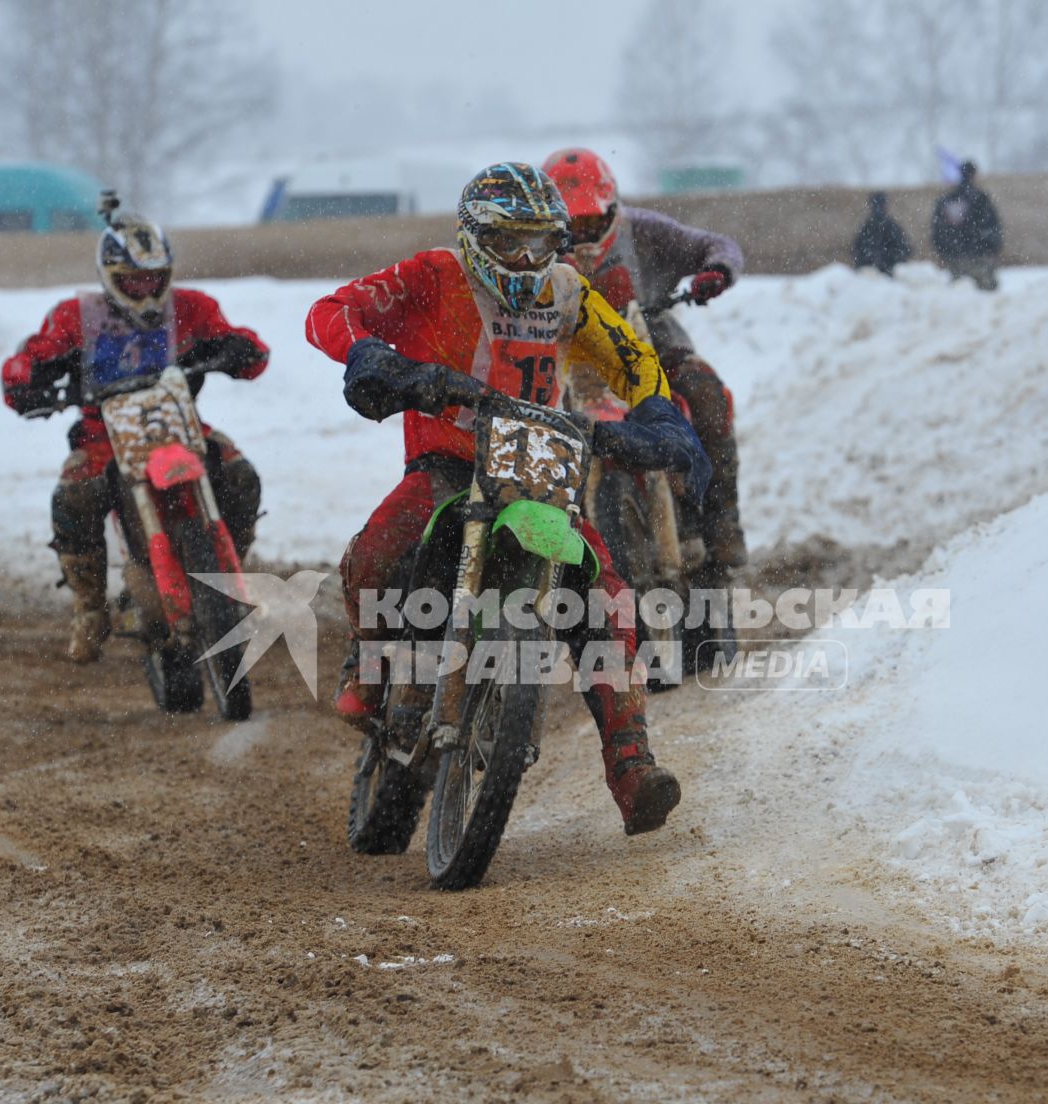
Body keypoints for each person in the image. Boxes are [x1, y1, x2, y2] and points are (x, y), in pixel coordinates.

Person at [305, 161, 709, 836]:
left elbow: (633, 356)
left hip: (538, 466)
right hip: (449, 458)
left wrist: (657, 410)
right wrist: (369, 355)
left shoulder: (567, 290)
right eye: (509, 242)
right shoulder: (435, 273)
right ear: (475, 238)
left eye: (540, 242)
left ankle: (632, 763)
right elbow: (331, 309)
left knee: (607, 596)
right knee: (379, 553)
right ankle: (372, 664)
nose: (526, 259)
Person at [0, 197, 269, 664]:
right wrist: (29, 379)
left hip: (177, 423)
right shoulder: (74, 317)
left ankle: (227, 580)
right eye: (134, 282)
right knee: (74, 495)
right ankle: (89, 608)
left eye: (154, 280)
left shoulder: (193, 307)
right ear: (110, 277)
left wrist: (237, 350)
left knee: (240, 474)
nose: (146, 294)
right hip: (103, 434)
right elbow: (26, 362)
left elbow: (252, 351)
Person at [541, 147, 748, 569]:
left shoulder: (644, 230)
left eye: (589, 219)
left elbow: (717, 244)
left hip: (656, 347)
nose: (581, 232)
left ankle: (720, 520)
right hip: (568, 364)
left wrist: (717, 270)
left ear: (611, 206)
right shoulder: (537, 248)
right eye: (571, 223)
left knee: (707, 393)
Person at [931, 161, 1002, 291]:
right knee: (986, 297)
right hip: (979, 256)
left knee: (959, 294)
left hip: (954, 257)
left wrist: (944, 250)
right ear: (974, 175)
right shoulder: (980, 198)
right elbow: (991, 225)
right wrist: (993, 247)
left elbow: (937, 228)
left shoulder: (947, 199)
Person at [852, 190, 912, 276]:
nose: (878, 209)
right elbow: (857, 250)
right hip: (875, 275)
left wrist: (883, 258)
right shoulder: (869, 226)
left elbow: (905, 250)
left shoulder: (887, 226)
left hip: (887, 274)